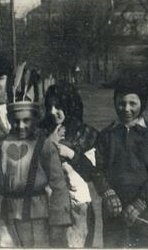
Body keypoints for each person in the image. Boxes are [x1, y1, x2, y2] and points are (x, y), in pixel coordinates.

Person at [0, 100, 72, 247]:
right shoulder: (0, 147)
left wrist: (58, 221)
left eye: (26, 120)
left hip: (36, 214)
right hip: (3, 215)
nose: (21, 126)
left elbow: (59, 186)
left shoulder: (44, 146)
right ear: (10, 121)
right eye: (16, 121)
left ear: (35, 120)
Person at [92, 85, 148, 248]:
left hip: (145, 211)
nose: (126, 109)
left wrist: (140, 203)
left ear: (142, 104)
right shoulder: (107, 135)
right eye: (121, 103)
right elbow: (97, 170)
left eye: (132, 103)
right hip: (114, 209)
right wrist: (107, 192)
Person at [41, 84, 98, 248]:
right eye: (49, 106)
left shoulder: (86, 134)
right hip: (47, 206)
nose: (52, 111)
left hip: (78, 207)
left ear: (70, 106)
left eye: (58, 106)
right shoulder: (42, 132)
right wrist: (48, 144)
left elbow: (92, 173)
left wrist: (70, 154)